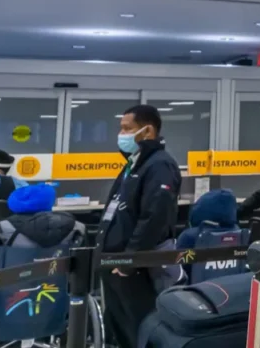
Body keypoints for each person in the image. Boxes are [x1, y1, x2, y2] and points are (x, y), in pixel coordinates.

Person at [99, 105, 181, 348]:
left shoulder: (159, 165)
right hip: (113, 262)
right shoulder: (134, 164)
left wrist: (129, 261)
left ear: (147, 132)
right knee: (121, 327)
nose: (121, 134)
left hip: (135, 267)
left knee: (140, 326)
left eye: (127, 129)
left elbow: (154, 217)